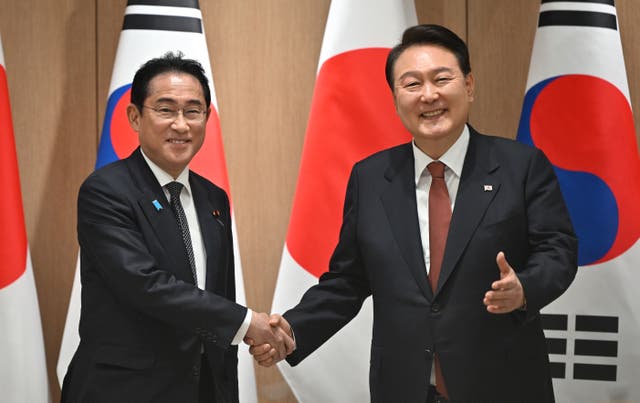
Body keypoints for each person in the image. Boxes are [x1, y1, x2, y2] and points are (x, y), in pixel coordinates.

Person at [251, 24, 577, 402]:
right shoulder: (371, 177)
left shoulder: (520, 165)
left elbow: (559, 249)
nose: (429, 95)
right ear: (394, 98)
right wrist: (292, 329)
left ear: (469, 85)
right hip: (404, 388)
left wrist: (524, 289)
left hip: (502, 383)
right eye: (412, 84)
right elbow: (348, 280)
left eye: (442, 79)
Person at [60, 52, 293, 403]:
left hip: (202, 389)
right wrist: (247, 324)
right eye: (166, 109)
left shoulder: (213, 198)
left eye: (193, 111)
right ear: (135, 116)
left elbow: (218, 294)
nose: (181, 124)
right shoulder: (106, 191)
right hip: (125, 391)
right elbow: (146, 285)